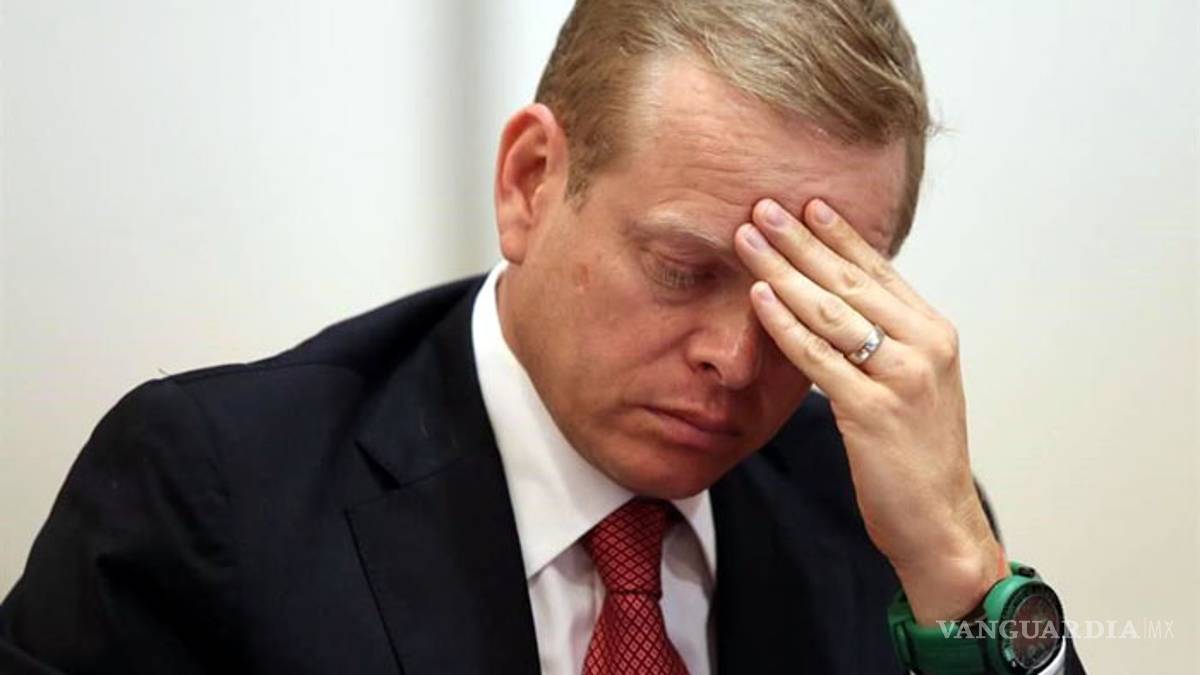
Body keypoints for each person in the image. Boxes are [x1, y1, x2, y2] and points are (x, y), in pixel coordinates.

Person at [0, 1, 1086, 673]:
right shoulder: (220, 488)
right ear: (530, 183)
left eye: (802, 304)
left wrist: (962, 571)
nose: (736, 357)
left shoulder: (880, 520)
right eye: (683, 269)